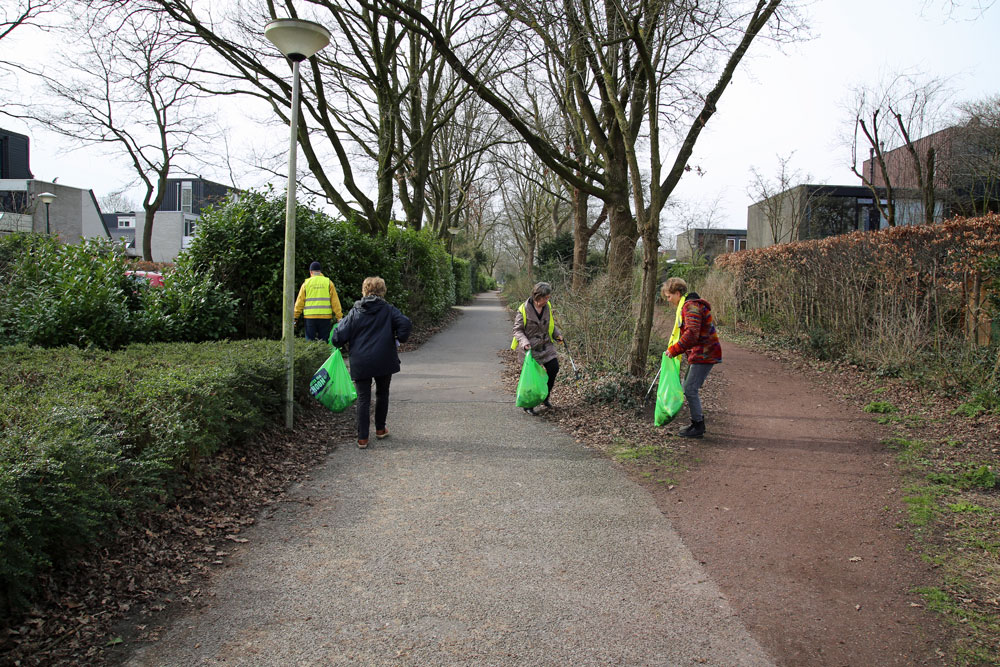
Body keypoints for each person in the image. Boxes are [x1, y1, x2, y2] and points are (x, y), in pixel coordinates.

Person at [330, 276, 412, 449]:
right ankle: (380, 429)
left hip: (361, 360)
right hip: (383, 358)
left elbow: (338, 336)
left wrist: (342, 344)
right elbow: (405, 323)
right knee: (382, 393)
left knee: (363, 398)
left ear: (364, 291)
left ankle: (362, 438)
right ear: (382, 291)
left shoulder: (355, 311)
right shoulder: (388, 310)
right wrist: (399, 338)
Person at [663, 277, 722, 438]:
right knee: (687, 387)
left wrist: (674, 350)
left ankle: (698, 426)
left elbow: (691, 334)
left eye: (669, 296)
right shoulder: (688, 305)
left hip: (705, 353)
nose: (668, 300)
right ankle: (696, 423)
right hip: (700, 353)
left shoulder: (691, 307)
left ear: (677, 293)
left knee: (690, 389)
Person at [511, 281, 563, 415]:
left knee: (554, 368)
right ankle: (529, 404)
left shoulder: (547, 307)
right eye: (545, 297)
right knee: (531, 377)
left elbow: (551, 324)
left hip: (546, 345)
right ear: (537, 297)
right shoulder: (523, 309)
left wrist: (557, 335)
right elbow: (517, 330)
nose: (548, 299)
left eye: (548, 297)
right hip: (530, 349)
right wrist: (524, 343)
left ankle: (545, 396)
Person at [294, 261, 343, 342]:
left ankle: (311, 354)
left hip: (310, 317)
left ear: (311, 272)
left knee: (309, 342)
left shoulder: (306, 284)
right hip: (325, 317)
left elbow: (299, 302)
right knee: (324, 342)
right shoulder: (328, 283)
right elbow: (335, 302)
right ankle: (323, 355)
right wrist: (339, 317)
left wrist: (295, 317)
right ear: (320, 272)